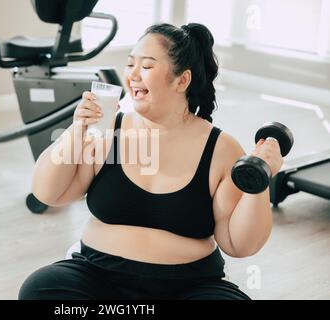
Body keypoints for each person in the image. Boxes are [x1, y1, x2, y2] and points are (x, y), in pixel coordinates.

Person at [19, 23, 283, 300]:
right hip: (98, 276)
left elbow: (237, 244)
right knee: (41, 288)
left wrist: (258, 183)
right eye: (130, 63)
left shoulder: (220, 148)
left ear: (182, 80)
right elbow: (49, 193)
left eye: (146, 66)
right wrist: (77, 130)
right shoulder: (110, 130)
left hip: (187, 286)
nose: (131, 75)